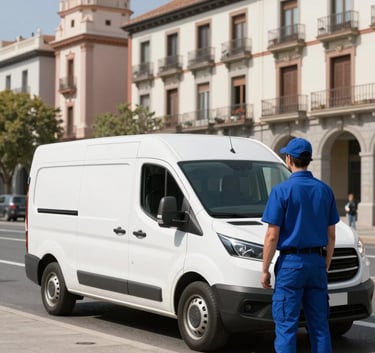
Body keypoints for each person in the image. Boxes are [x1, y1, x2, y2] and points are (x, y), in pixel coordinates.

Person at [260, 138, 339, 353]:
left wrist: (265, 269)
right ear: (309, 160)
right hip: (316, 263)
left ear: (288, 159)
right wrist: (326, 263)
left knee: (286, 326)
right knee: (320, 327)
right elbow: (331, 235)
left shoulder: (281, 191)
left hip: (290, 264)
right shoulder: (325, 190)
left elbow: (272, 236)